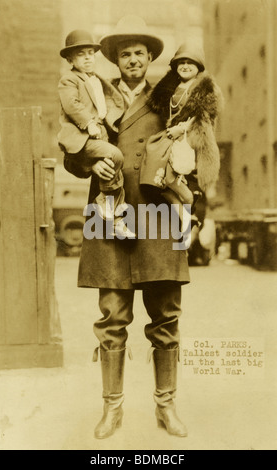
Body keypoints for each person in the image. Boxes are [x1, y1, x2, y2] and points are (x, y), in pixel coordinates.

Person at [78, 15, 190, 439]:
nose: (133, 60)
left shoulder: (170, 97)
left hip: (158, 212)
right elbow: (72, 141)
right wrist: (91, 158)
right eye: (125, 54)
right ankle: (113, 411)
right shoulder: (93, 94)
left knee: (165, 314)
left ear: (150, 58)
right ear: (115, 60)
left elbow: (193, 140)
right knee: (111, 316)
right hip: (109, 213)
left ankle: (166, 407)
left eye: (140, 53)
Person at [58, 29, 135, 238]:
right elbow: (72, 104)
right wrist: (89, 123)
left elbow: (112, 103)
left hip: (100, 131)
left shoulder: (98, 80)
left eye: (90, 53)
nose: (87, 58)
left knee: (113, 167)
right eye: (81, 54)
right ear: (70, 59)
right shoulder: (69, 80)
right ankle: (103, 199)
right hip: (83, 136)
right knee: (115, 155)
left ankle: (116, 218)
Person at [140, 39, 222, 232]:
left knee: (174, 178)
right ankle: (186, 215)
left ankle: (189, 205)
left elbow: (204, 118)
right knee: (154, 179)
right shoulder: (171, 89)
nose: (185, 66)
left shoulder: (205, 89)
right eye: (181, 63)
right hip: (170, 140)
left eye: (190, 63)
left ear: (198, 66)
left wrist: (182, 129)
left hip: (191, 142)